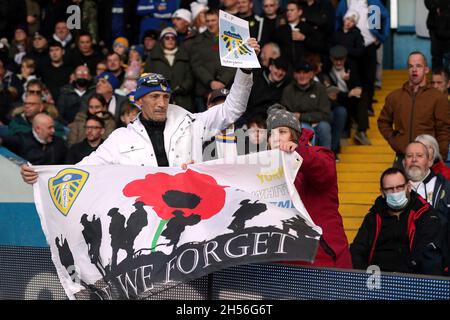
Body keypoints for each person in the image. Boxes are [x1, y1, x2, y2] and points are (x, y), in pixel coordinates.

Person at [21, 39, 260, 183]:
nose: (161, 103)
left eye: (165, 97)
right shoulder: (120, 139)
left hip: (191, 213)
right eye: (154, 96)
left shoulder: (191, 123)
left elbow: (233, 108)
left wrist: (246, 68)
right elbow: (84, 169)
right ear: (138, 101)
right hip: (147, 221)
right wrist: (43, 175)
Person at [266, 104, 352, 268]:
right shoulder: (263, 173)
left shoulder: (320, 155)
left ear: (295, 136)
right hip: (284, 265)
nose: (276, 138)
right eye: (272, 134)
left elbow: (323, 173)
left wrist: (300, 152)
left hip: (323, 260)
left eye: (282, 132)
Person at [350, 167, 445, 275]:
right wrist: (367, 277)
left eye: (400, 187)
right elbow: (357, 250)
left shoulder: (425, 215)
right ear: (382, 192)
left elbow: (429, 256)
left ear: (408, 187)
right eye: (390, 189)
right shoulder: (373, 217)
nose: (395, 192)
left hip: (413, 281)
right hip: (376, 281)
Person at [378, 51, 450, 167]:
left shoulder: (438, 98)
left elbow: (444, 131)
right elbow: (383, 122)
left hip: (429, 160)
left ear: (426, 69)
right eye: (411, 66)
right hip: (402, 158)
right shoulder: (395, 97)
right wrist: (395, 140)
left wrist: (440, 157)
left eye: (418, 66)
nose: (414, 69)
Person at [281, 60, 332, 148]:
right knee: (306, 128)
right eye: (299, 72)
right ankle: (309, 159)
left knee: (325, 127)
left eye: (305, 72)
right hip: (297, 124)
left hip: (317, 122)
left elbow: (325, 114)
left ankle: (327, 157)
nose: (302, 75)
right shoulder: (288, 90)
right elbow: (285, 113)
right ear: (294, 75)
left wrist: (301, 116)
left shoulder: (320, 88)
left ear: (311, 74)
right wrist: (298, 118)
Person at [144, 27, 194, 112]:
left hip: (183, 99)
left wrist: (183, 88)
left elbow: (191, 75)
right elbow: (147, 76)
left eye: (173, 38)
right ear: (162, 40)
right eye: (167, 38)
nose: (170, 40)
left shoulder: (185, 55)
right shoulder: (152, 57)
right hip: (160, 99)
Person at [1, 113, 67, 165]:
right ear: (38, 129)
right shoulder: (22, 139)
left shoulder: (59, 142)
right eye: (49, 128)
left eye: (53, 127)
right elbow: (3, 140)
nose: (53, 131)